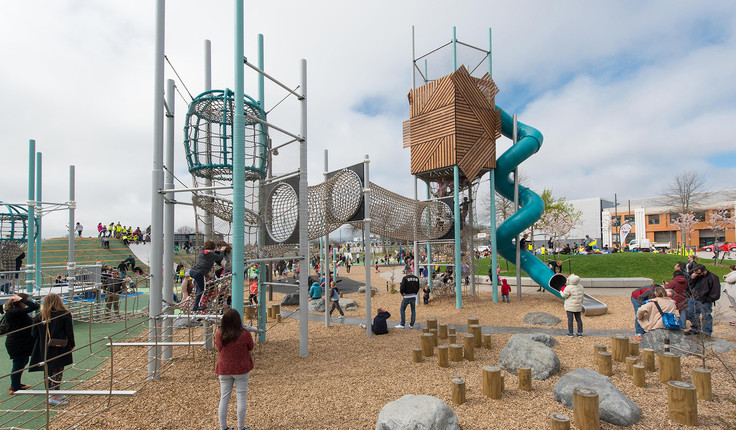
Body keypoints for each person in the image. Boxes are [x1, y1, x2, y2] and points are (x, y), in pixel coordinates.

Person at [29, 293, 75, 406]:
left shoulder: (40, 316)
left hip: (44, 347)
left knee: (48, 370)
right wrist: (72, 344)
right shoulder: (64, 314)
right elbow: (69, 332)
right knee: (58, 370)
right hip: (60, 347)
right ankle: (53, 396)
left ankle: (52, 393)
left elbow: (33, 334)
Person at [215, 309, 254, 430]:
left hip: (224, 368)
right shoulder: (245, 334)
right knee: (241, 398)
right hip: (241, 368)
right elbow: (251, 347)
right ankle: (241, 427)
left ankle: (223, 427)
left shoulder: (219, 334)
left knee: (224, 398)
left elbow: (219, 348)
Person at [4, 293, 40, 394]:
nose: (26, 304)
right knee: (18, 363)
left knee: (22, 362)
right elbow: (35, 306)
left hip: (20, 342)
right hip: (17, 343)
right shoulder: (14, 312)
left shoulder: (16, 312)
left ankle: (16, 383)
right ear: (20, 302)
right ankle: (15, 387)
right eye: (25, 301)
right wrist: (22, 299)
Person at [686, 263, 721, 337]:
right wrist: (692, 278)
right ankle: (695, 329)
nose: (697, 275)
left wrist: (708, 299)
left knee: (706, 316)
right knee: (690, 313)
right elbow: (690, 286)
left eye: (698, 273)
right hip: (694, 298)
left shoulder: (713, 277)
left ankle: (707, 332)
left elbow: (716, 291)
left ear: (704, 271)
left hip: (705, 300)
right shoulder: (696, 277)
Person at [190, 241, 225, 310]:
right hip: (200, 273)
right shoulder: (212, 254)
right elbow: (220, 257)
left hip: (192, 271)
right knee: (201, 289)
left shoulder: (201, 251)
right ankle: (196, 306)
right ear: (213, 248)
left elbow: (203, 248)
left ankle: (195, 304)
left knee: (198, 289)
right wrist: (222, 251)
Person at [664, 263, 689, 329]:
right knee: (682, 311)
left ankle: (671, 323)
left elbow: (668, 287)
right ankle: (683, 325)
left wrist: (665, 284)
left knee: (671, 310)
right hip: (683, 297)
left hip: (674, 298)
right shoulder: (685, 280)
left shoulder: (674, 281)